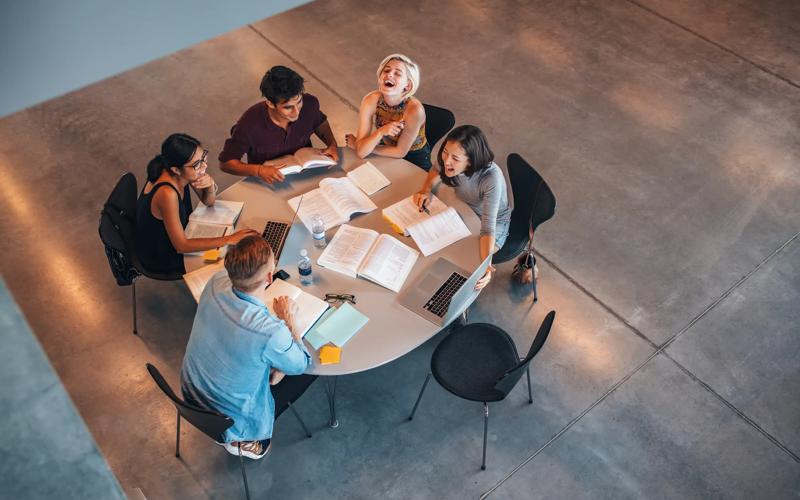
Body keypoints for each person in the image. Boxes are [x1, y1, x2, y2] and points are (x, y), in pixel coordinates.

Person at [180, 235, 311, 459]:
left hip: (191, 391)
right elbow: (302, 363)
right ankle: (248, 441)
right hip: (228, 421)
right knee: (307, 373)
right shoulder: (270, 332)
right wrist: (288, 319)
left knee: (274, 367)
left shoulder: (215, 282)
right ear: (270, 276)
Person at [136, 133, 257, 274]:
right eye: (197, 164)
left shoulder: (183, 171)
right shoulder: (167, 194)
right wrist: (229, 239)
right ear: (176, 169)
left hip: (178, 235)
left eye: (203, 157)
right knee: (225, 260)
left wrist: (210, 184)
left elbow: (208, 201)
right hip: (163, 254)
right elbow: (181, 246)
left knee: (227, 247)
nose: (204, 166)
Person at [413, 125, 511, 290]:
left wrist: (485, 266)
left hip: (492, 222)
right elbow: (436, 168)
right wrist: (425, 189)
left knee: (467, 260)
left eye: (455, 159)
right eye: (445, 152)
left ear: (471, 160)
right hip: (465, 209)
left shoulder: (491, 177)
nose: (447, 161)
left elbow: (488, 229)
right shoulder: (449, 158)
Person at [219, 65, 339, 184]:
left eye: (299, 102)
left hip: (308, 176)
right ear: (270, 103)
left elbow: (320, 122)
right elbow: (226, 163)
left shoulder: (310, 104)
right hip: (269, 182)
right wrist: (259, 170)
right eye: (288, 107)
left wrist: (332, 144)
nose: (296, 112)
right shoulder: (248, 125)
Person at [345, 54, 431, 170]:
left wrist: (363, 146)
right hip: (386, 149)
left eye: (397, 73)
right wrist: (380, 132)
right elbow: (361, 152)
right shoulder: (370, 100)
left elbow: (400, 152)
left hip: (414, 157)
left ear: (407, 85)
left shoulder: (415, 110)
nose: (389, 74)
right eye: (386, 70)